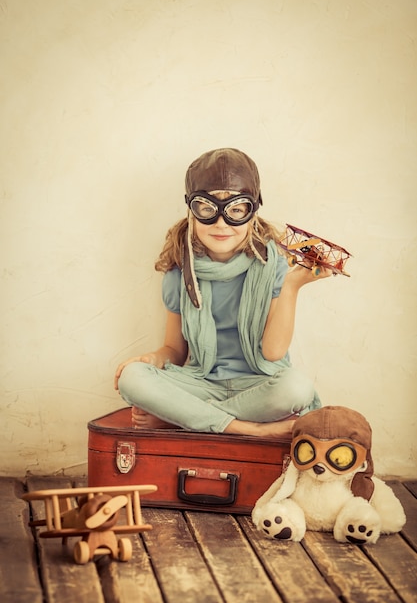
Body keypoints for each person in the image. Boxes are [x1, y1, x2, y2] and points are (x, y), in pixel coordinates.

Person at [114, 148, 331, 439]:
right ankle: (248, 429)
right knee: (132, 377)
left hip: (257, 383)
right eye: (207, 208)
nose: (220, 223)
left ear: (253, 210)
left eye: (236, 210)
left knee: (297, 388)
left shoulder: (273, 262)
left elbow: (273, 352)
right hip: (200, 381)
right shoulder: (179, 270)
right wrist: (153, 358)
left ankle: (182, 418)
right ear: (191, 209)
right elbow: (174, 351)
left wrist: (292, 285)